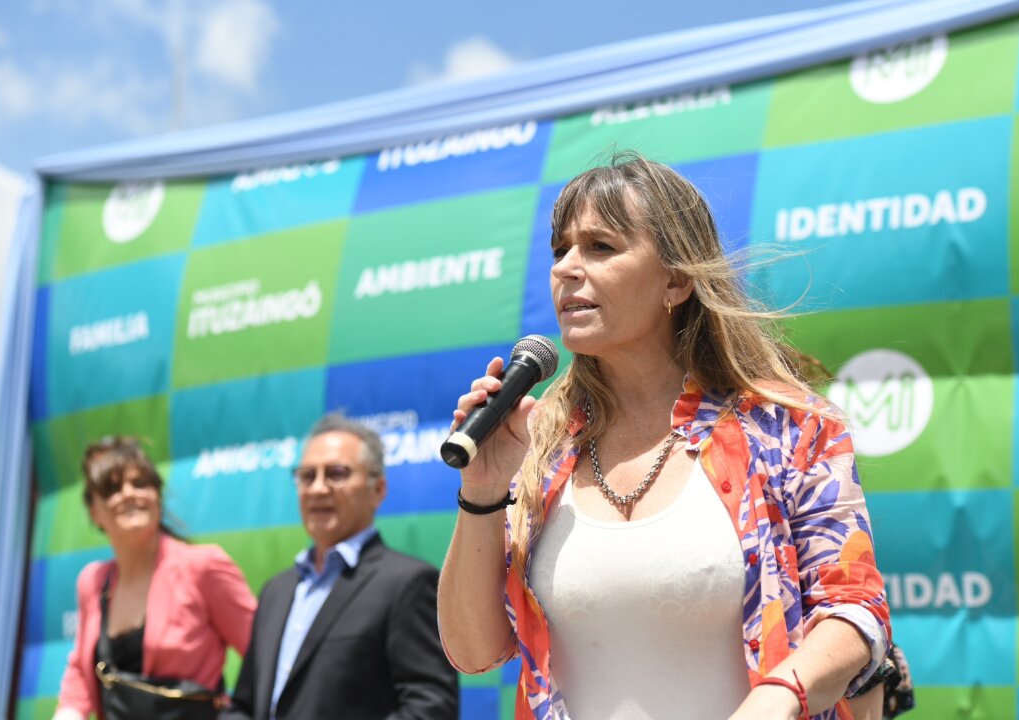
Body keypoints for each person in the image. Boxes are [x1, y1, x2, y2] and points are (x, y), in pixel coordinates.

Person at [438, 153, 895, 720]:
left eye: (600, 247)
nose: (566, 268)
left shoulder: (789, 427)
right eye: (561, 250)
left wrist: (775, 699)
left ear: (676, 281)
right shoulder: (543, 447)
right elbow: (473, 652)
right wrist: (481, 490)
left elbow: (855, 610)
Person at [222, 414, 458, 720]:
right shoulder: (276, 591)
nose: (318, 488)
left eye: (336, 473)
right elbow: (243, 705)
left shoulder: (407, 583)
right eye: (307, 476)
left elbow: (431, 708)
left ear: (378, 489)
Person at [54, 436, 257, 720]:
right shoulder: (93, 581)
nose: (129, 494)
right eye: (112, 488)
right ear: (94, 512)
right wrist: (69, 713)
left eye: (140, 483)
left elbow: (264, 655)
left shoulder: (202, 567)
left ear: (157, 496)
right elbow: (81, 671)